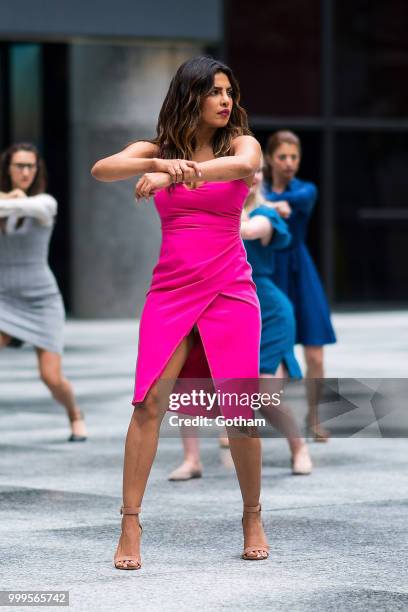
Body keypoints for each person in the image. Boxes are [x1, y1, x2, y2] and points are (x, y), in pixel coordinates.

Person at [92, 56, 270, 569]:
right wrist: (161, 165)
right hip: (170, 291)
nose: (225, 100)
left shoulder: (240, 144)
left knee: (240, 409)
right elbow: (102, 168)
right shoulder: (157, 150)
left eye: (228, 91)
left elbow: (243, 168)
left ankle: (252, 515)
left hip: (231, 289)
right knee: (148, 402)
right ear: (190, 95)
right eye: (214, 91)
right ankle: (130, 522)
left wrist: (176, 176)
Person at [167, 166, 312, 482]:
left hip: (267, 310)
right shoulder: (210, 207)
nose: (255, 175)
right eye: (247, 169)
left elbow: (247, 230)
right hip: (214, 302)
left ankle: (299, 448)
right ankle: (192, 460)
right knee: (188, 382)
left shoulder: (265, 214)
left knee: (261, 393)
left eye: (259, 170)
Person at [0, 143, 87, 442]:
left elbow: (30, 207)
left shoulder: (45, 203)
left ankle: (75, 413)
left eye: (30, 166)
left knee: (50, 377)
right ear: (8, 169)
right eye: (18, 166)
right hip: (4, 299)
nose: (25, 172)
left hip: (41, 300)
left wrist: (9, 198)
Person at [262, 130, 336, 442]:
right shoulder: (258, 190)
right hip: (269, 270)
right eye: (282, 157)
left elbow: (296, 201)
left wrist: (267, 203)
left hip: (300, 270)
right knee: (257, 351)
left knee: (315, 352)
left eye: (294, 157)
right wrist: (268, 203)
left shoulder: (306, 190)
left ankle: (315, 419)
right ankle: (235, 422)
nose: (289, 163)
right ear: (269, 158)